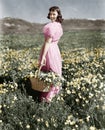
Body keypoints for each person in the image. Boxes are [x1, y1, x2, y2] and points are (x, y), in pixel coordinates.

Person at [39, 6, 63, 102]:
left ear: (58, 15)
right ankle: (51, 95)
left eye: (54, 14)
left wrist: (44, 56)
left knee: (50, 72)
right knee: (55, 72)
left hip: (50, 50)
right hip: (56, 49)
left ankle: (46, 97)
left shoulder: (51, 26)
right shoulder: (59, 25)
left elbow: (48, 42)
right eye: (51, 14)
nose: (52, 16)